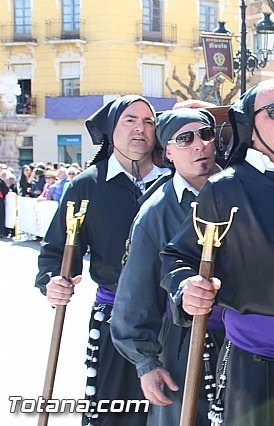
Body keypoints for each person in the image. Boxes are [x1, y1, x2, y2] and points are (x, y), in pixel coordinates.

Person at [160, 78, 274, 426]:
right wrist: (186, 288)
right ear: (250, 128)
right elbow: (178, 257)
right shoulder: (225, 189)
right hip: (256, 372)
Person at [35, 95, 169, 426]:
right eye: (130, 120)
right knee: (115, 414)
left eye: (148, 122)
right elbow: (57, 249)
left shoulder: (172, 181)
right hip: (115, 321)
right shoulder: (87, 185)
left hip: (172, 320)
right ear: (111, 129)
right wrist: (51, 281)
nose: (141, 129)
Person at [111, 107, 224, 425]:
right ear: (169, 152)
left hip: (244, 344)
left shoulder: (242, 190)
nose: (199, 145)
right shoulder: (155, 214)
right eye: (185, 139)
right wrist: (145, 363)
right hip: (184, 347)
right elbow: (134, 295)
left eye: (205, 134)